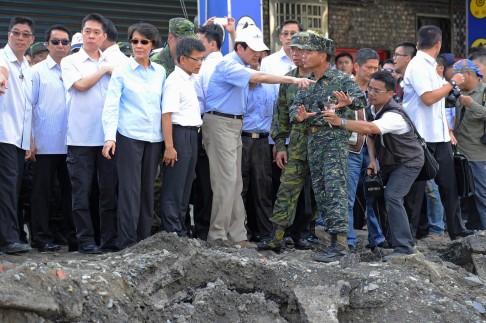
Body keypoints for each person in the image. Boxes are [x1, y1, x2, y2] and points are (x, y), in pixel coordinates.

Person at [203, 25, 313, 247]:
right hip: (220, 123)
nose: (258, 55)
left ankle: (237, 236)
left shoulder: (239, 64)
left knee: (235, 183)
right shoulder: (228, 65)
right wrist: (292, 80)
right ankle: (217, 236)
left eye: (260, 51)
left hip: (235, 124)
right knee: (226, 182)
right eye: (253, 50)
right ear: (240, 47)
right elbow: (259, 76)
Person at [324, 71, 423, 261]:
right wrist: (371, 160)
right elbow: (370, 136)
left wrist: (340, 122)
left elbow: (370, 128)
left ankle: (404, 247)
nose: (371, 93)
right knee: (376, 196)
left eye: (377, 90)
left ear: (390, 93)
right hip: (388, 163)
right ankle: (385, 240)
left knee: (393, 196)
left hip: (409, 162)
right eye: (370, 88)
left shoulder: (395, 115)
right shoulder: (373, 109)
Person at [290, 33, 367, 262]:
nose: (303, 56)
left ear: (322, 56)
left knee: (336, 190)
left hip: (333, 141)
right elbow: (294, 110)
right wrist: (300, 116)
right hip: (313, 141)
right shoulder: (308, 83)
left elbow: (361, 100)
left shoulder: (341, 79)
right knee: (321, 192)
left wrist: (348, 102)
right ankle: (333, 242)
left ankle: (342, 244)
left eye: (308, 52)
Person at [403, 25, 473, 241]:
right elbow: (429, 98)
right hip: (421, 137)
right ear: (439, 44)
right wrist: (452, 83)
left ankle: (456, 230)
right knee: (416, 190)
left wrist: (448, 128)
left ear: (418, 43)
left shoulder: (432, 65)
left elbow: (441, 99)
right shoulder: (417, 65)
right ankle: (409, 237)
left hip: (440, 136)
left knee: (449, 186)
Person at [102, 22, 165, 250]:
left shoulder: (160, 72)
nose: (138, 46)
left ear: (153, 45)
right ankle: (128, 243)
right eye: (134, 41)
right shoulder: (122, 70)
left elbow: (163, 106)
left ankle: (144, 240)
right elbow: (111, 105)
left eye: (144, 42)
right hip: (128, 136)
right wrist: (110, 137)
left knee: (148, 189)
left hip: (154, 138)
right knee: (129, 191)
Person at [61, 13, 117, 254]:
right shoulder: (70, 61)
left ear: (104, 36)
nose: (91, 36)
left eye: (96, 32)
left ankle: (109, 241)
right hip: (80, 138)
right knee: (81, 193)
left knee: (108, 192)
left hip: (107, 138)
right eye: (87, 31)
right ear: (81, 33)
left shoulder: (114, 63)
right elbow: (81, 85)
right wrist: (104, 69)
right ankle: (85, 240)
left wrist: (107, 67)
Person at [259, 32, 317, 252]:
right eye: (293, 49)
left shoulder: (323, 79)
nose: (296, 54)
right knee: (290, 190)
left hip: (321, 146)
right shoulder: (288, 80)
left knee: (315, 194)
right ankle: (287, 235)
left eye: (300, 50)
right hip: (295, 146)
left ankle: (308, 233)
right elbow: (280, 116)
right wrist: (280, 146)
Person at [30, 24, 76, 252]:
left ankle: (68, 235)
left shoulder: (74, 70)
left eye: (64, 42)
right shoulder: (36, 72)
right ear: (47, 44)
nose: (60, 46)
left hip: (72, 144)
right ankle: (40, 237)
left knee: (70, 194)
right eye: (55, 41)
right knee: (42, 194)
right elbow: (28, 107)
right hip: (44, 143)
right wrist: (29, 139)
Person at [160, 38, 205, 237]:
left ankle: (180, 227)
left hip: (192, 134)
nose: (199, 63)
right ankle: (172, 230)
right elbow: (166, 115)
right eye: (196, 59)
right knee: (175, 184)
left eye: (201, 59)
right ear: (182, 59)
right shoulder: (174, 81)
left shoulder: (189, 79)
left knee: (186, 184)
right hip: (179, 134)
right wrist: (169, 146)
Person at [192, 22, 232, 240]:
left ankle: (205, 228)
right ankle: (207, 228)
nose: (196, 46)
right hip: (212, 125)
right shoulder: (214, 63)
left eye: (200, 42)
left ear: (213, 44)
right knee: (210, 180)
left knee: (207, 181)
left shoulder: (211, 65)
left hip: (207, 124)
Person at [0, 16, 35, 254]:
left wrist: (30, 141)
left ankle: (12, 236)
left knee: (14, 188)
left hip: (19, 139)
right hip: (4, 134)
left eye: (25, 34)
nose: (20, 38)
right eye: (16, 33)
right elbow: (1, 72)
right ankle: (7, 239)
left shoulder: (26, 67)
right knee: (6, 187)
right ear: (8, 35)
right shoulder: (3, 58)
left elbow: (27, 107)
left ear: (32, 40)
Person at [346, 48, 387, 252]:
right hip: (350, 149)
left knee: (374, 193)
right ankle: (349, 240)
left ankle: (377, 238)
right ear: (356, 67)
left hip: (371, 151)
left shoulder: (376, 91)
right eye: (368, 67)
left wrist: (373, 157)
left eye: (376, 67)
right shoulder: (345, 88)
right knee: (348, 196)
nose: (373, 71)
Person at [241, 63, 275, 242]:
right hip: (242, 139)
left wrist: (277, 142)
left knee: (263, 188)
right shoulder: (238, 89)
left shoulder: (271, 88)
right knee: (241, 188)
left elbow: (277, 115)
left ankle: (265, 232)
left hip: (263, 141)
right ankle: (241, 232)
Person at [452, 59, 486, 230]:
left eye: (458, 76)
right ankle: (474, 229)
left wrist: (472, 105)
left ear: (468, 74)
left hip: (479, 154)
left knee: (482, 196)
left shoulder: (484, 92)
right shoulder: (457, 92)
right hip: (460, 153)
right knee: (467, 196)